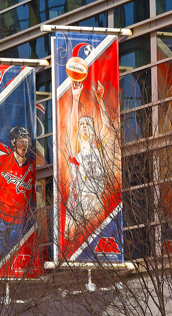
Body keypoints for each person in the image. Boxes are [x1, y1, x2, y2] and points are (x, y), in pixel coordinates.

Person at [0, 114, 36, 270]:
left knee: (10, 261)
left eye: (26, 142)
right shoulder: (3, 154)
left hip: (18, 221)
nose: (24, 145)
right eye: (20, 142)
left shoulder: (32, 165)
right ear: (13, 143)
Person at [64, 80, 111, 239]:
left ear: (92, 129)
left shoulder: (97, 146)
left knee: (100, 242)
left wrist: (100, 100)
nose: (83, 125)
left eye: (87, 123)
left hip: (97, 199)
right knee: (73, 240)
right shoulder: (77, 148)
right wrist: (76, 97)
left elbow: (107, 126)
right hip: (80, 200)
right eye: (82, 123)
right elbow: (73, 126)